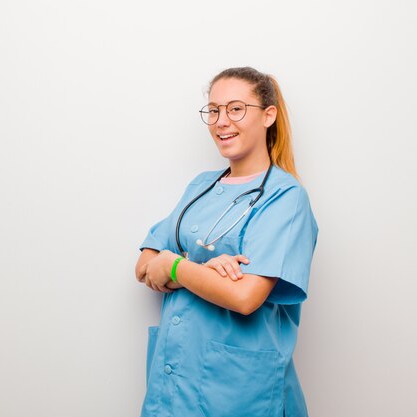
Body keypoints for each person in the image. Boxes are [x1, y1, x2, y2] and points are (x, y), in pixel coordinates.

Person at [135, 66, 319, 417]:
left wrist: (175, 264)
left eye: (235, 109)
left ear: (268, 115)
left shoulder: (285, 198)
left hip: (239, 391)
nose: (221, 121)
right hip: (173, 381)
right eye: (214, 110)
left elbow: (245, 296)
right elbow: (144, 265)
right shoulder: (201, 186)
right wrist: (202, 270)